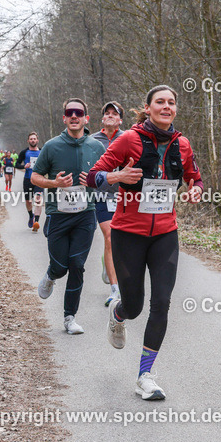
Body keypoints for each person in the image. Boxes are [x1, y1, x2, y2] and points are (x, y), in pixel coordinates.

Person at [86, 85, 203, 400]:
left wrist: (196, 190)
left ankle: (145, 375)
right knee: (135, 306)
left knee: (161, 303)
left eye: (171, 103)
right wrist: (115, 178)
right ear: (148, 108)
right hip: (129, 235)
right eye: (160, 102)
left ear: (175, 109)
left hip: (165, 234)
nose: (167, 107)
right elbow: (92, 177)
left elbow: (195, 177)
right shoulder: (129, 140)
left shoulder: (183, 144)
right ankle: (120, 313)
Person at [31, 98, 106, 335]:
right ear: (64, 118)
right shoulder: (52, 146)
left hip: (86, 214)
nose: (74, 116)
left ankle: (69, 318)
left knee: (77, 265)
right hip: (58, 215)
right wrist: (55, 183)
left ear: (86, 118)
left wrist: (95, 180)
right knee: (61, 266)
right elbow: (35, 177)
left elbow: (106, 177)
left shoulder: (97, 147)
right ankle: (52, 275)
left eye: (79, 112)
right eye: (69, 113)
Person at [86, 101, 125, 306]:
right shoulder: (93, 140)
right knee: (110, 237)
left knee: (124, 241)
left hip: (126, 196)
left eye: (114, 114)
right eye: (107, 113)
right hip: (101, 196)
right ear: (102, 119)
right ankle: (115, 289)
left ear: (120, 119)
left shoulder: (128, 138)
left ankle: (108, 264)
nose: (110, 116)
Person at [15, 133, 43, 230]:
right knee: (28, 201)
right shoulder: (24, 152)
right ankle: (31, 216)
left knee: (38, 199)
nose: (33, 140)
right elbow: (16, 164)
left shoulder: (42, 151)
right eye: (31, 139)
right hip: (28, 179)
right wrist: (24, 166)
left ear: (37, 140)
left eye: (34, 139)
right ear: (28, 141)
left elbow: (49, 162)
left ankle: (36, 222)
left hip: (39, 179)